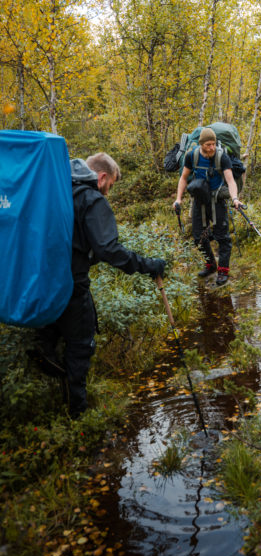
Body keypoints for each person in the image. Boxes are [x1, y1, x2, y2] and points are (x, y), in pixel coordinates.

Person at [33, 152, 166, 418]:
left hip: (42, 280)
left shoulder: (57, 192)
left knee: (51, 337)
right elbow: (109, 250)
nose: (108, 193)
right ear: (101, 177)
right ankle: (77, 416)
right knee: (81, 346)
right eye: (111, 186)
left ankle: (44, 351)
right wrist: (149, 265)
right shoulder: (91, 199)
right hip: (72, 284)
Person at [173, 128, 244, 286]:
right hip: (199, 200)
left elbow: (231, 180)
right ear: (201, 145)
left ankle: (223, 271)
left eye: (213, 144)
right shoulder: (192, 156)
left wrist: (235, 198)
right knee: (198, 236)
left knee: (223, 237)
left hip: (217, 200)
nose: (212, 147)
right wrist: (178, 199)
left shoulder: (221, 157)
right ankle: (211, 265)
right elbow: (184, 178)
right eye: (208, 145)